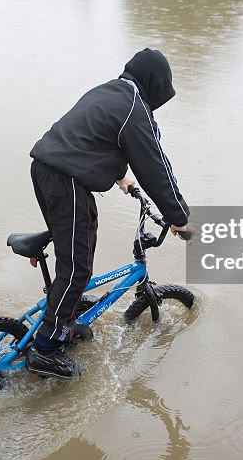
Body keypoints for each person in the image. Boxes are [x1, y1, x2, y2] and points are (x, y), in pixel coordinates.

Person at [25, 48, 192, 378]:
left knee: (77, 250)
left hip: (45, 170)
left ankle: (65, 318)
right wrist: (180, 217)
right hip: (67, 180)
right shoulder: (135, 109)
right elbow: (156, 168)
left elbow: (92, 137)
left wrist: (120, 178)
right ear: (156, 86)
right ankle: (45, 348)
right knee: (78, 266)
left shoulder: (111, 91)